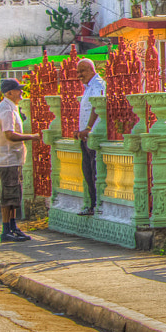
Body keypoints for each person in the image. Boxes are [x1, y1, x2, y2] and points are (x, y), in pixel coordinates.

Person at [0, 78, 39, 242]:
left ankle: (13, 226)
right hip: (7, 158)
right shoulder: (6, 109)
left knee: (14, 196)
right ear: (9, 92)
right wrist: (32, 137)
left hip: (13, 158)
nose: (21, 93)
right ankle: (6, 230)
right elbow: (9, 134)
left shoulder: (12, 107)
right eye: (18, 90)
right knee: (8, 196)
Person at [77, 58, 105, 216]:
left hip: (94, 136)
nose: (80, 75)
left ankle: (97, 206)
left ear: (91, 69)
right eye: (78, 72)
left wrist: (88, 128)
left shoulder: (98, 84)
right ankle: (92, 205)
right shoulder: (87, 87)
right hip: (86, 137)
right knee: (88, 173)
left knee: (95, 173)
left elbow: (97, 106)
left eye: (83, 71)